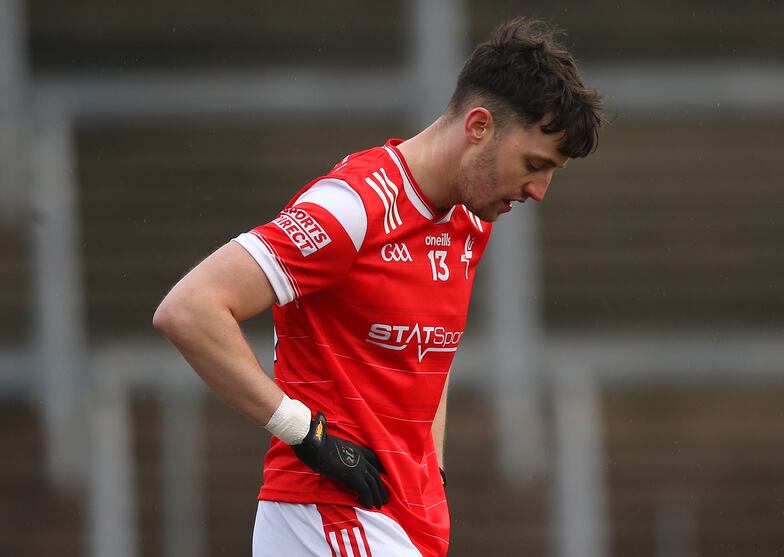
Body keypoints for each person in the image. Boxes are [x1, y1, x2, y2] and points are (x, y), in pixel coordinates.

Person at [153, 16, 603, 557]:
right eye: (534, 164)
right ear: (479, 126)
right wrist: (305, 432)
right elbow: (190, 309)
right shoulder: (352, 207)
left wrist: (429, 472)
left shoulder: (468, 218)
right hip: (329, 513)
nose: (539, 190)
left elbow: (425, 354)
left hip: (406, 517)